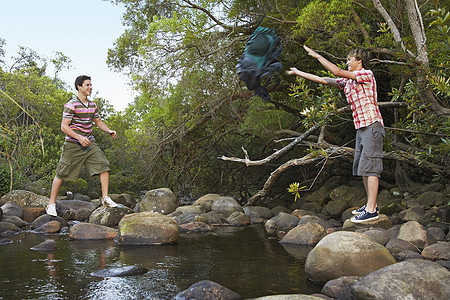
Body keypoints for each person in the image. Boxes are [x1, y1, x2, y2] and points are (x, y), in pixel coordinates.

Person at [287, 46, 384, 223]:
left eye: (350, 59)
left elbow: (336, 70)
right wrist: (298, 72)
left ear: (359, 61)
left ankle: (371, 210)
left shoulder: (366, 74)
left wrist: (317, 55)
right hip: (361, 128)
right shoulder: (347, 82)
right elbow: (324, 80)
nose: (347, 62)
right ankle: (372, 204)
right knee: (364, 167)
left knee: (371, 167)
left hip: (372, 125)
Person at [45, 75, 118, 217]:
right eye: (87, 85)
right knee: (61, 173)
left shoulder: (92, 105)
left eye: (91, 85)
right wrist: (79, 137)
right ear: (79, 87)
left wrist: (109, 130)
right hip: (73, 144)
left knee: (104, 166)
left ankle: (105, 198)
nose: (90, 88)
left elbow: (98, 121)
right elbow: (64, 127)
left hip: (89, 144)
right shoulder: (71, 105)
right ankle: (51, 204)